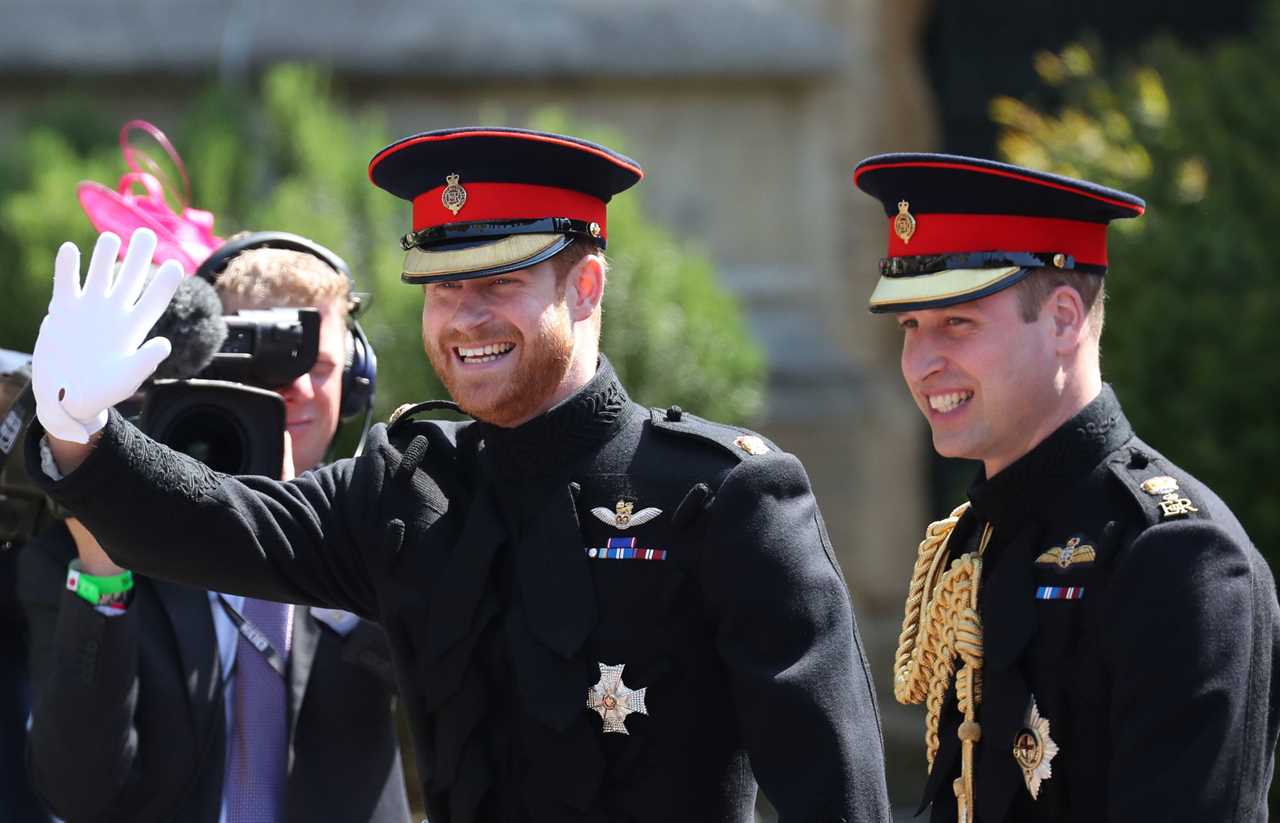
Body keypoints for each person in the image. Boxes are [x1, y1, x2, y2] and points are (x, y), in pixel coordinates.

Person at [24, 127, 892, 822]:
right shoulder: (409, 491)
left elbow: (835, 794)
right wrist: (78, 432)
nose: (464, 317)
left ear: (586, 286)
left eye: (500, 281)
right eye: (441, 286)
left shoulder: (723, 496)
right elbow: (217, 522)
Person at [854, 152, 1280, 822]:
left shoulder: (1177, 555)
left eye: (957, 323)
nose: (922, 363)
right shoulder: (978, 537)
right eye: (911, 327)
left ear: (1061, 320)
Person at [18, 234, 411, 823]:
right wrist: (103, 571)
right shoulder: (91, 547)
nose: (294, 389)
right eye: (263, 362)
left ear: (357, 383)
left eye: (318, 365)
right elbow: (76, 793)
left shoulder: (387, 525)